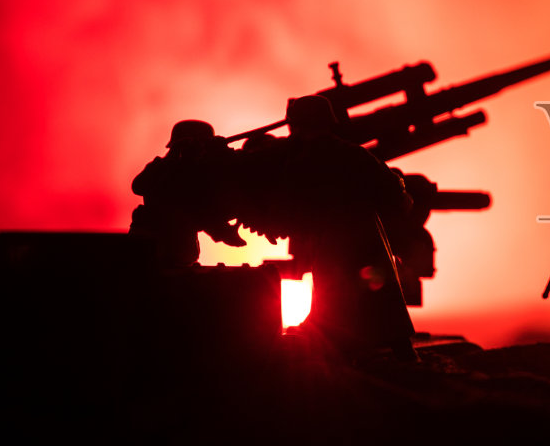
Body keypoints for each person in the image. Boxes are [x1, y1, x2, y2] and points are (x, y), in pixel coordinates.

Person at [252, 94, 415, 355]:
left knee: (333, 291)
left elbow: (287, 200)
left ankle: (338, 344)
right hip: (366, 236)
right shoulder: (354, 154)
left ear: (298, 125)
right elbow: (394, 190)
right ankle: (401, 347)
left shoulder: (300, 162)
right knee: (382, 294)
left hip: (330, 240)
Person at [129, 119, 246, 267]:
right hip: (150, 246)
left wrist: (223, 232)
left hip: (181, 251)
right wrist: (172, 158)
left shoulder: (198, 177)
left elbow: (202, 212)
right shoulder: (163, 168)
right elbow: (138, 186)